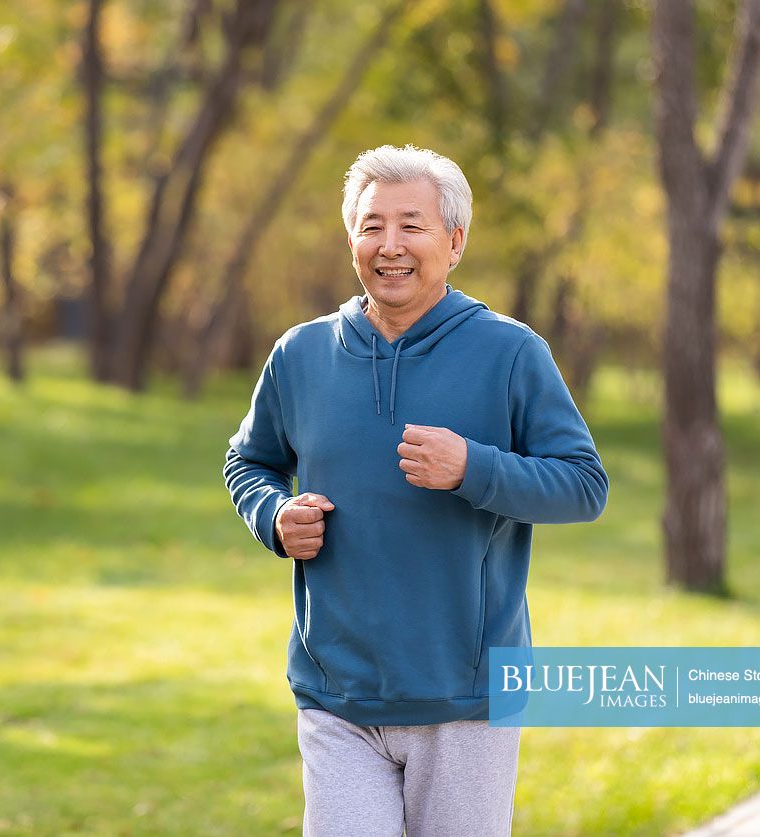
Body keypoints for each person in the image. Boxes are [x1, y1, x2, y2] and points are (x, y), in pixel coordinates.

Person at [223, 144, 608, 836]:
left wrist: (474, 469)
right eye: (372, 226)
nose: (389, 246)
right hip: (335, 692)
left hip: (467, 696)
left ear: (454, 241)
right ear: (350, 240)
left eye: (412, 225)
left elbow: (582, 485)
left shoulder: (510, 352)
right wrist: (274, 515)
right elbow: (247, 462)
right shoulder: (300, 354)